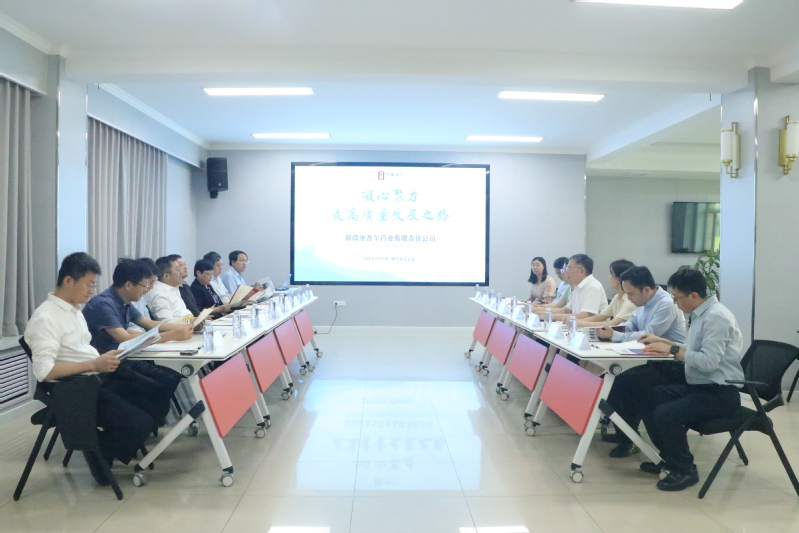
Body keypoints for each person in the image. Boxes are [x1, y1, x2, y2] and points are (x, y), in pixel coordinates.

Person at [24, 253, 154, 485]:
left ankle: (102, 451)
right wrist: (94, 364)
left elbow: (82, 350)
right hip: (76, 390)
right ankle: (97, 452)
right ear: (68, 281)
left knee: (151, 397)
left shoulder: (74, 311)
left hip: (96, 376)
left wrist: (103, 360)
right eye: (89, 284)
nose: (92, 291)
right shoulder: (46, 318)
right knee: (140, 422)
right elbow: (44, 371)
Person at [637, 268, 744, 491]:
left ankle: (685, 470)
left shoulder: (717, 317)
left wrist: (673, 350)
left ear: (693, 295)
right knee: (649, 396)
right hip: (700, 386)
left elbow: (708, 362)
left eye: (677, 298)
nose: (675, 303)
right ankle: (669, 457)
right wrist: (664, 343)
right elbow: (692, 349)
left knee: (666, 414)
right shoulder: (701, 314)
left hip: (720, 393)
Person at [82, 259, 195, 424]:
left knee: (171, 376)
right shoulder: (103, 304)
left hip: (126, 357)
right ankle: (145, 422)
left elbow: (149, 324)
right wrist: (172, 335)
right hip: (110, 366)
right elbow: (125, 339)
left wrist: (186, 326)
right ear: (128, 285)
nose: (148, 288)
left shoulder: (124, 302)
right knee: (161, 383)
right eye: (145, 284)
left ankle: (151, 420)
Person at [595, 265, 688, 458]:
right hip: (651, 360)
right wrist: (611, 332)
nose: (628, 298)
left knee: (620, 383)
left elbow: (647, 336)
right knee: (610, 379)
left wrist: (616, 335)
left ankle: (629, 438)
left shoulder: (666, 304)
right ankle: (626, 434)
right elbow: (630, 327)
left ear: (646, 290)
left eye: (631, 294)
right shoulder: (642, 303)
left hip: (673, 365)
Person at [576, 259, 637, 327]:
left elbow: (613, 323)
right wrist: (576, 322)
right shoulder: (617, 297)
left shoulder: (630, 300)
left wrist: (580, 323)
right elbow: (599, 317)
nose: (609, 277)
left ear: (619, 279)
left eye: (611, 274)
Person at [550, 254, 608, 321]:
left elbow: (585, 315)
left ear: (581, 271)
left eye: (568, 269)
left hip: (594, 327)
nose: (566, 272)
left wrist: (553, 317)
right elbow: (567, 310)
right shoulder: (577, 286)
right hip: (577, 325)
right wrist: (544, 314)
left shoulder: (593, 287)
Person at [147, 256, 194, 322]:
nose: (181, 272)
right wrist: (191, 321)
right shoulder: (158, 293)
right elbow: (168, 322)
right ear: (167, 275)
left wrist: (195, 320)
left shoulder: (174, 288)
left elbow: (184, 313)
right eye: (178, 269)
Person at [129, 257, 159, 332]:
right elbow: (124, 335)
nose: (151, 287)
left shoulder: (140, 298)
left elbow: (149, 324)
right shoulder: (110, 303)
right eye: (149, 283)